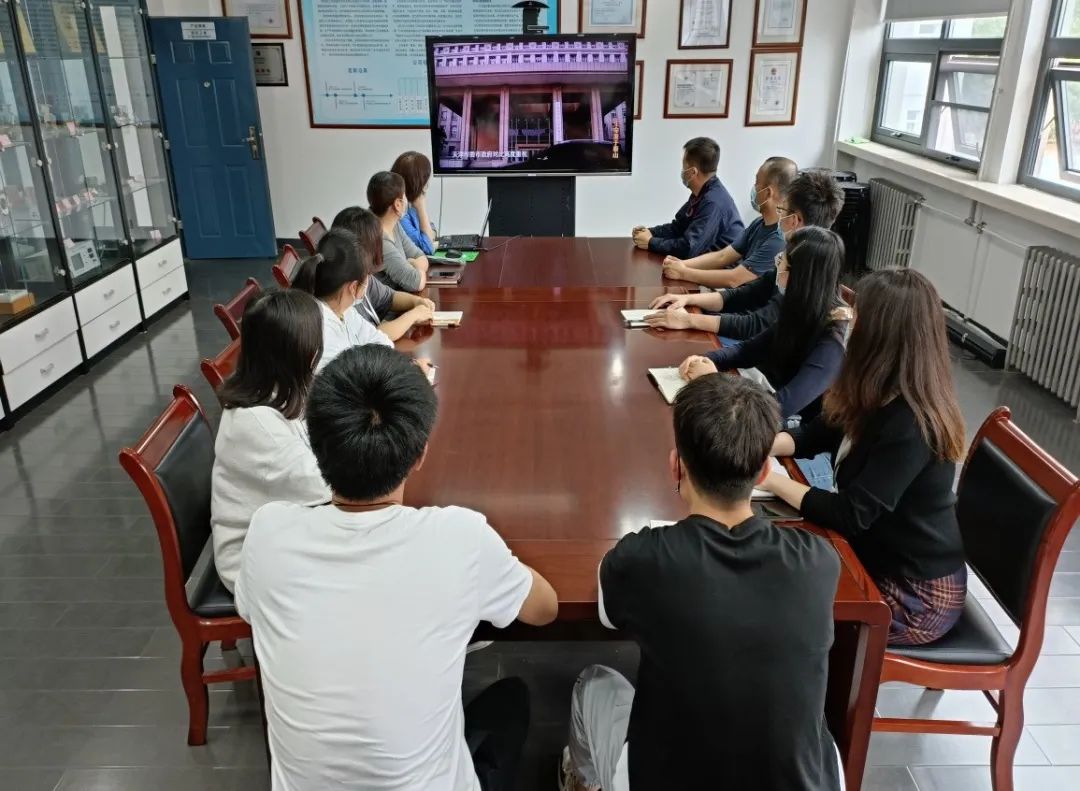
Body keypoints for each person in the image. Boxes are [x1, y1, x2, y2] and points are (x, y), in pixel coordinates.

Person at [236, 345, 559, 790]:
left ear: (315, 445)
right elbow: (545, 609)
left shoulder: (267, 533)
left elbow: (251, 610)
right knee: (511, 700)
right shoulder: (460, 537)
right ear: (420, 453)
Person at [560, 374, 842, 791]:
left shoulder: (644, 558)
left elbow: (607, 610)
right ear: (764, 471)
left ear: (676, 465)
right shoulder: (819, 561)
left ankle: (582, 781)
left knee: (592, 682)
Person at [759, 269, 968, 646]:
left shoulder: (912, 423)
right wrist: (758, 446)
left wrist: (767, 479)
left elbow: (850, 515)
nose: (848, 326)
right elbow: (815, 434)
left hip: (915, 595)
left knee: (778, 602)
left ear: (881, 337)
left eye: (857, 319)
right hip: (875, 553)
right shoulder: (876, 387)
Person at [210, 290, 330, 593]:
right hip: (255, 562)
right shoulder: (255, 423)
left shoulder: (276, 389)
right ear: (298, 353)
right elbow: (324, 485)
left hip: (282, 530)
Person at [647, 168, 845, 341]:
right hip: (747, 336)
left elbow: (754, 324)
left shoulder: (801, 272)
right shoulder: (793, 257)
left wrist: (689, 319)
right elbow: (742, 294)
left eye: (783, 210)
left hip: (753, 345)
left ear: (795, 220)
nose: (780, 216)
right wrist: (687, 299)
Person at [673, 226, 848, 422]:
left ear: (801, 278)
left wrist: (716, 380)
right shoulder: (799, 305)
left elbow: (780, 408)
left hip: (783, 425)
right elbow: (747, 350)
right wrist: (706, 359)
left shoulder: (832, 341)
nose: (778, 267)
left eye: (782, 263)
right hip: (757, 398)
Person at [659, 156, 797, 288]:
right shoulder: (758, 223)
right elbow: (723, 256)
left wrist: (683, 272)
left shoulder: (778, 239)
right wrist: (683, 264)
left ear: (768, 193)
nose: (754, 187)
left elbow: (734, 279)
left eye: (757, 182)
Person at [291, 227, 394, 371]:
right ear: (353, 287)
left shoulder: (344, 311)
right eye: (367, 279)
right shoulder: (320, 332)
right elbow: (352, 378)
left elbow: (384, 342)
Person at [331, 206, 435, 341]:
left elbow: (389, 297)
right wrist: (413, 315)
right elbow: (377, 335)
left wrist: (417, 302)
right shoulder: (343, 296)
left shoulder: (363, 277)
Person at [631, 137, 743, 259]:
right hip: (703, 262)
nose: (682, 171)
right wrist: (650, 232)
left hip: (723, 268)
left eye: (684, 166)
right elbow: (678, 227)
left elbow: (688, 249)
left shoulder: (713, 202)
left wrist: (651, 242)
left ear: (693, 172)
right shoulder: (701, 194)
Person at [369, 171, 429, 292]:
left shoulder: (394, 224)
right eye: (404, 195)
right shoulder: (378, 240)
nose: (406, 200)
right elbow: (415, 283)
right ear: (397, 204)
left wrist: (412, 264)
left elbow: (420, 255)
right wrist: (413, 264)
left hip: (400, 296)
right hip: (388, 303)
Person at [392, 151, 438, 255]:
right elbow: (428, 248)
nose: (427, 184)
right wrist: (421, 207)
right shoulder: (399, 213)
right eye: (425, 179)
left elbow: (432, 228)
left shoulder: (410, 206)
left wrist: (431, 235)